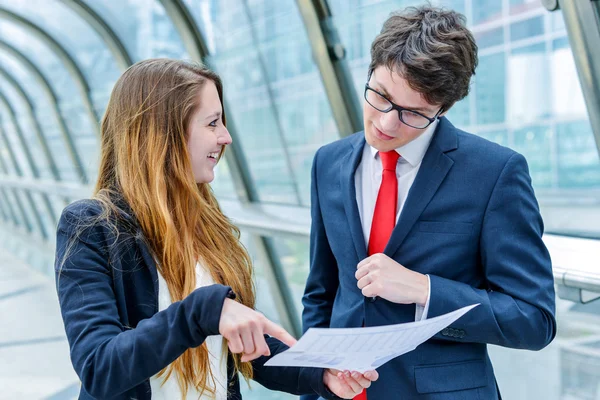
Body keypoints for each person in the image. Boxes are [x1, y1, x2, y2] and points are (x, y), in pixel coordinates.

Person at [54, 58, 378, 400]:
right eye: (212, 123)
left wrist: (320, 372)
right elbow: (99, 367)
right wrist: (204, 311)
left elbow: (241, 346)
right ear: (163, 133)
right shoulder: (91, 227)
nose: (226, 137)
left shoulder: (205, 220)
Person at [302, 5, 556, 400]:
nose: (386, 123)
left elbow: (534, 319)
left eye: (413, 113)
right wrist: (314, 383)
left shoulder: (494, 173)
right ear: (370, 70)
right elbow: (321, 293)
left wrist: (425, 290)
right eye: (381, 96)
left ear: (444, 108)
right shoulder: (328, 163)